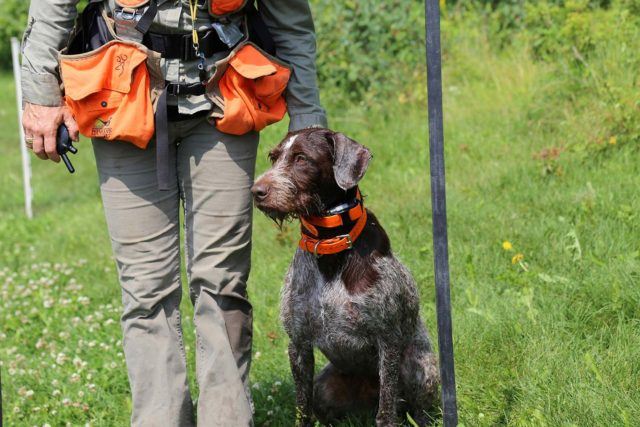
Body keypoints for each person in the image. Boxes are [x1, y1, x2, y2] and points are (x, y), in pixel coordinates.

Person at [20, 0, 327, 425]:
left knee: (222, 283)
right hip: (123, 93)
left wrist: (307, 113)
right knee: (145, 289)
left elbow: (289, 17)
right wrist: (39, 93)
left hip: (224, 94)